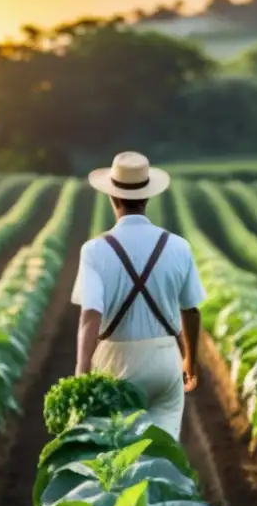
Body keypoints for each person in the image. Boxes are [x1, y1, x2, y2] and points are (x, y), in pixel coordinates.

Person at [71, 151, 206, 440]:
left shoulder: (94, 250)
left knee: (117, 451)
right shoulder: (178, 246)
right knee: (164, 447)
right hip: (164, 358)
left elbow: (90, 315)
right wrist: (189, 362)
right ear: (147, 198)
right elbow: (191, 311)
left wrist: (81, 373)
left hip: (115, 361)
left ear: (112, 198)